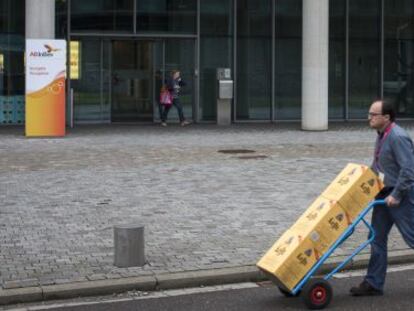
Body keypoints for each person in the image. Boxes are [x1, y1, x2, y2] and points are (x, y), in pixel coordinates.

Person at [350, 99, 414, 296]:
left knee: (412, 237)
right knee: (376, 238)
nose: (369, 118)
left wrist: (396, 195)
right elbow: (379, 165)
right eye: (369, 113)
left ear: (386, 117)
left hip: (400, 196)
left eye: (373, 114)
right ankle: (374, 283)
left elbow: (409, 170)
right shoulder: (381, 135)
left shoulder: (397, 137)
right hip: (383, 195)